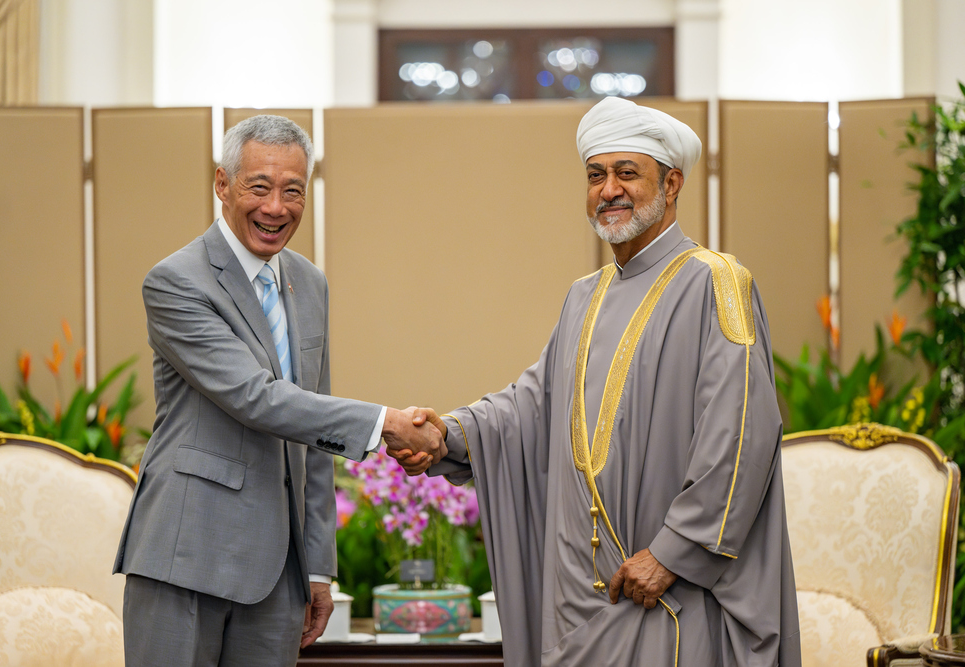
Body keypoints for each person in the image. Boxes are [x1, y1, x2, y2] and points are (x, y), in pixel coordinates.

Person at [406, 97, 801, 666]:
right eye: (596, 175)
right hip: (579, 595)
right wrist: (448, 433)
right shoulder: (583, 296)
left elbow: (742, 432)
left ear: (672, 184)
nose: (608, 189)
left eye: (626, 173)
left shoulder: (715, 282)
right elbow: (533, 407)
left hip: (668, 591)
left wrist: (673, 552)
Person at [114, 114, 441, 667]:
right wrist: (382, 421)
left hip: (277, 577)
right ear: (222, 184)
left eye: (293, 190)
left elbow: (311, 434)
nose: (276, 207)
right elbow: (254, 397)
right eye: (258, 187)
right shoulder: (175, 281)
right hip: (186, 554)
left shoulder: (309, 283)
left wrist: (316, 568)